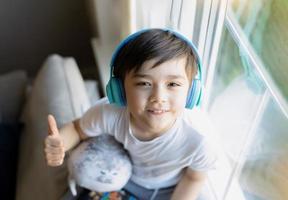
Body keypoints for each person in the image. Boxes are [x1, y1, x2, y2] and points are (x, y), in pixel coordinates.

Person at [44, 28, 217, 200]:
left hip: (169, 190)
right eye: (144, 83)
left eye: (172, 84)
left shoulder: (200, 138)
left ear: (192, 92)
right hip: (123, 178)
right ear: (119, 90)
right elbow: (77, 128)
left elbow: (194, 178)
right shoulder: (110, 113)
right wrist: (61, 144)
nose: (158, 98)